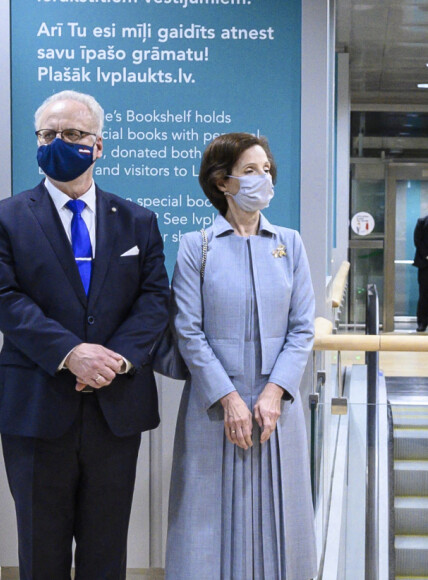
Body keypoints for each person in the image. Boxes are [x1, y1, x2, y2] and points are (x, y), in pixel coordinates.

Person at [0, 90, 170, 580]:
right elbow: (6, 301)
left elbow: (154, 301)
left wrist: (115, 361)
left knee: (106, 550)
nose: (59, 143)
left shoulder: (138, 221)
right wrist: (71, 354)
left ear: (98, 145)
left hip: (115, 408)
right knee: (40, 551)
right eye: (48, 134)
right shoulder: (3, 219)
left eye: (73, 134)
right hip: (36, 407)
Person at [165, 133, 317, 579]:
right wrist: (229, 399)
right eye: (250, 171)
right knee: (204, 516)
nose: (262, 179)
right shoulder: (198, 246)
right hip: (213, 407)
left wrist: (274, 393)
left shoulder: (290, 243)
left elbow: (303, 326)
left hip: (278, 408)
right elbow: (187, 329)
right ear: (221, 182)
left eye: (266, 170)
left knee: (282, 513)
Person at [413, 215, 428, 331]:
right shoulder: (422, 222)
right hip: (425, 265)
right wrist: (427, 255)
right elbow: (417, 240)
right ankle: (422, 322)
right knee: (424, 294)